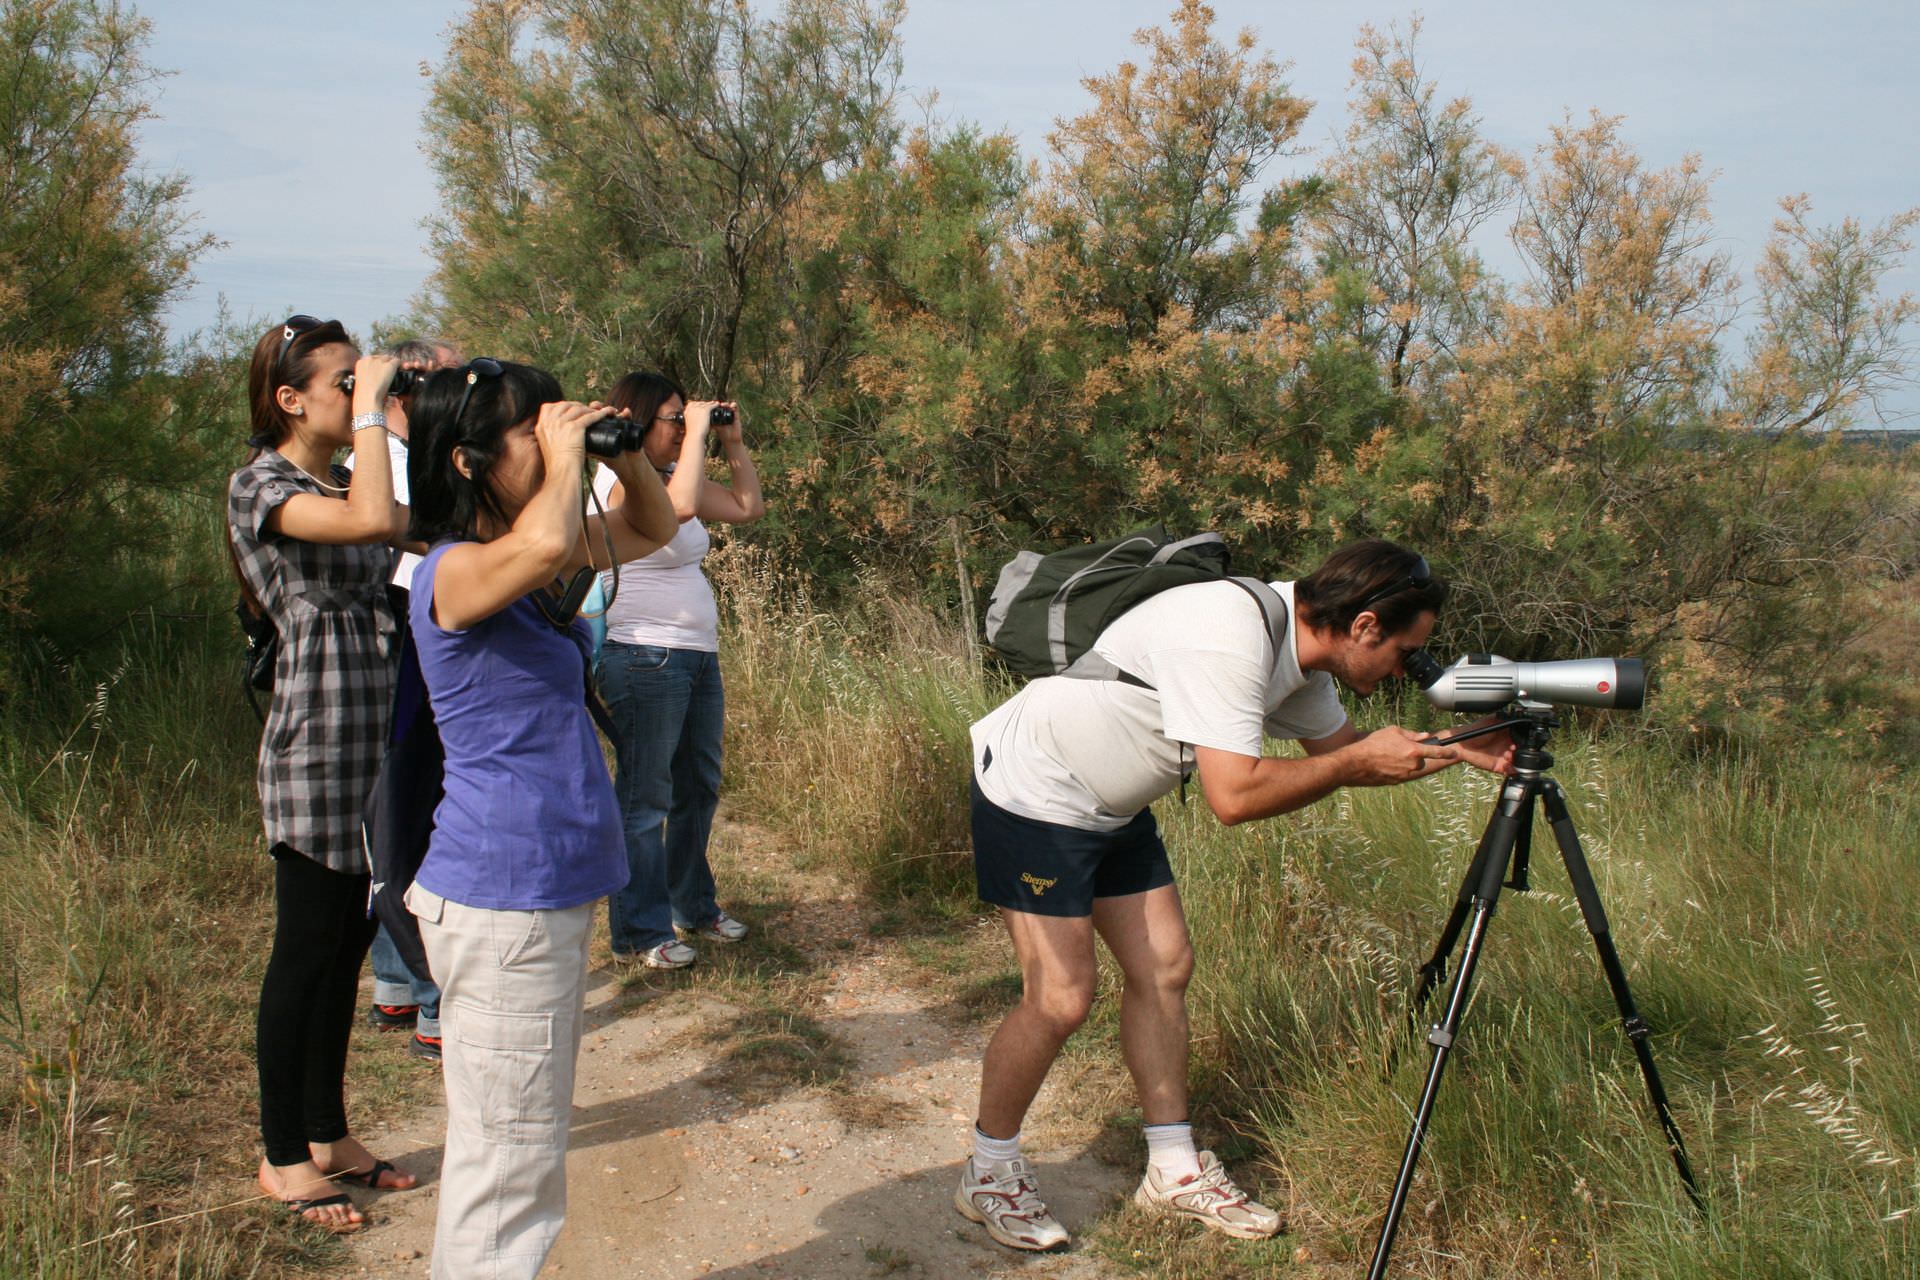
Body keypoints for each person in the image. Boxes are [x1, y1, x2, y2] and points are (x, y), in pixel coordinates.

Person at [954, 540, 1515, 1251]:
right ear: (1366, 626)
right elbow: (1236, 797)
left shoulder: (1301, 659)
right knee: (1062, 997)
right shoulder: (1230, 635)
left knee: (1164, 969)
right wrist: (1351, 763)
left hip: (1112, 802)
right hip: (1035, 789)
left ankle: (1174, 1170)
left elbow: (1354, 756)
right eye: (1408, 651)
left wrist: (1461, 745)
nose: (1411, 669)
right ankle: (989, 1168)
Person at [403, 358, 677, 1278]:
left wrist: (626, 450)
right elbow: (534, 547)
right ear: (472, 461)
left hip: (533, 896)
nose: (553, 436)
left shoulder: (528, 561)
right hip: (501, 897)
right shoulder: (452, 572)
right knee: (509, 1166)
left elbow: (655, 524)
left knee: (514, 1150)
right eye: (531, 430)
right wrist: (568, 462)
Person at [227, 315, 421, 1232]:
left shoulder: (353, 472)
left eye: (362, 379)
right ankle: (278, 1157)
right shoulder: (259, 483)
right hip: (314, 746)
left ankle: (328, 1134)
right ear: (290, 397)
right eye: (343, 382)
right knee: (302, 956)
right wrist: (379, 415)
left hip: (373, 739)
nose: (358, 393)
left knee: (347, 950)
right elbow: (374, 524)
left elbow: (417, 533)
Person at [591, 372, 765, 969]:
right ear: (635, 420)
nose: (680, 431)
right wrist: (696, 436)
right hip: (642, 653)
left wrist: (732, 442)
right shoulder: (618, 480)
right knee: (646, 797)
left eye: (681, 420)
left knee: (698, 786)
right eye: (672, 419)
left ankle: (691, 904)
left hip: (694, 654)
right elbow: (680, 509)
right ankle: (639, 931)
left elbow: (747, 507)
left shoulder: (671, 475)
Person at [350, 335, 464, 1059]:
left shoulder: (415, 458)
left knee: (406, 811)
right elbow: (405, 537)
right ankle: (431, 999)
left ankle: (395, 983)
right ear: (403, 388)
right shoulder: (372, 462)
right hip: (399, 653)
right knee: (408, 817)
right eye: (444, 383)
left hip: (417, 643)